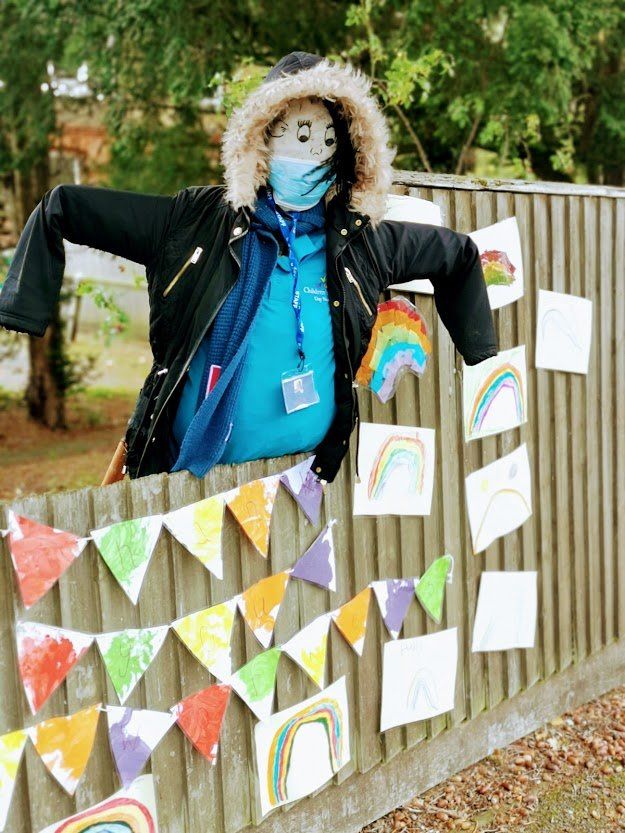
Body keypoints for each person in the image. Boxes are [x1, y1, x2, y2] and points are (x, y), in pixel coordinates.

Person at [0, 51, 497, 486]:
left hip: (307, 480)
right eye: (293, 137)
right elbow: (62, 206)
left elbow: (457, 255)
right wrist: (23, 306)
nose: (308, 155)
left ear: (347, 152)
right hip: (193, 481)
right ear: (258, 141)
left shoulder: (361, 242)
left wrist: (480, 349)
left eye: (324, 141)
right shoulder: (195, 223)